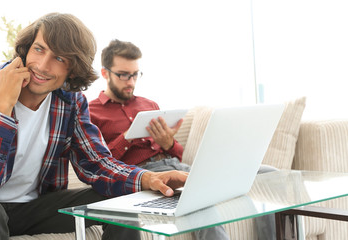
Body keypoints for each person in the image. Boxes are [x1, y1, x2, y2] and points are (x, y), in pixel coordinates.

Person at [0, 13, 188, 240]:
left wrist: (146, 178)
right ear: (26, 49)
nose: (43, 66)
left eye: (60, 58)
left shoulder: (69, 102)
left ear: (73, 70)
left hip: (34, 209)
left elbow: (96, 163)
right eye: (39, 49)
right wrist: (3, 107)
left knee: (120, 203)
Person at [89, 39, 276, 240]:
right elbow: (100, 163)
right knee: (200, 204)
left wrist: (168, 143)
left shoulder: (149, 104)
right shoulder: (92, 112)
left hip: (178, 167)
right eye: (123, 75)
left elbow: (180, 155)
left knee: (268, 174)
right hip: (145, 175)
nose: (131, 82)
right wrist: (128, 136)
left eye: (135, 74)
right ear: (105, 73)